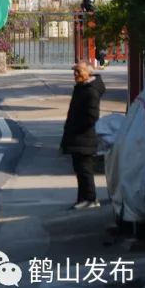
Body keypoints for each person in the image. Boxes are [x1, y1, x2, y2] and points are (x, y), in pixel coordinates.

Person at [60, 61, 106, 209]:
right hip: (77, 137)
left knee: (85, 171)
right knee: (80, 170)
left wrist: (76, 128)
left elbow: (92, 117)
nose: (75, 75)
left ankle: (91, 199)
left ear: (88, 73)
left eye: (78, 72)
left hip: (84, 138)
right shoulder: (82, 88)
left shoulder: (90, 91)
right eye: (74, 72)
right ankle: (82, 199)